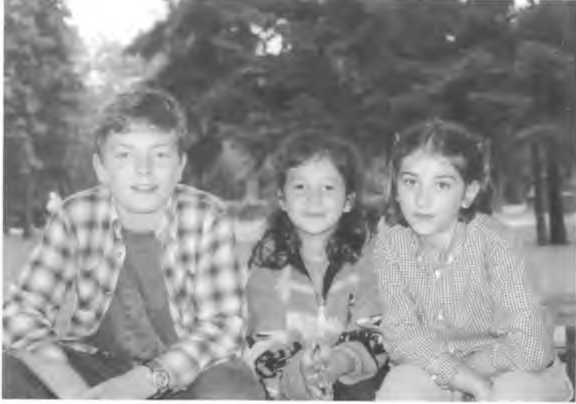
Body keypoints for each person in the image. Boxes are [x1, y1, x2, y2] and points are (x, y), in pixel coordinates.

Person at [2, 86, 264, 399]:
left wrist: (144, 381)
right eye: (124, 155)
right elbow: (21, 311)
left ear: (180, 167)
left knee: (233, 389)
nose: (144, 170)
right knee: (7, 371)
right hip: (97, 366)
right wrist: (70, 387)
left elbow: (224, 325)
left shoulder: (207, 216)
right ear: (101, 168)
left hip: (184, 370)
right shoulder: (75, 215)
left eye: (160, 155)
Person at [373, 118, 574, 401]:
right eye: (410, 182)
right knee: (401, 391)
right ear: (396, 188)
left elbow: (531, 347)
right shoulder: (391, 244)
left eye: (441, 185)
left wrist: (469, 372)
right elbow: (401, 334)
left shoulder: (497, 244)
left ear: (468, 193)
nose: (421, 200)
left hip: (514, 368)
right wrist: (459, 377)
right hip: (432, 369)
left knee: (513, 396)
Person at [244, 133, 389, 400]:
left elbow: (376, 329)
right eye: (300, 187)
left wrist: (339, 362)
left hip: (355, 375)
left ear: (348, 201)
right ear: (282, 199)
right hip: (287, 385)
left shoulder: (369, 258)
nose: (314, 199)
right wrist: (303, 375)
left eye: (328, 188)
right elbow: (265, 342)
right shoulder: (268, 264)